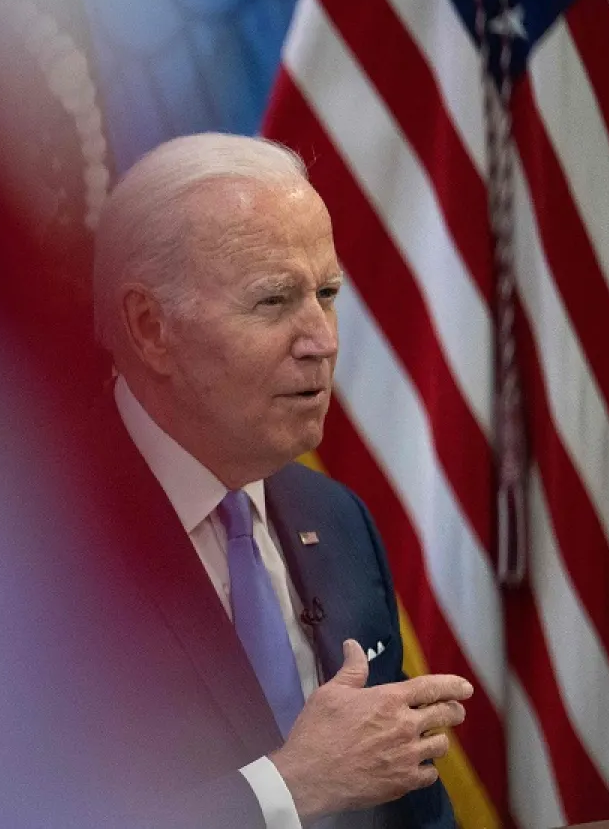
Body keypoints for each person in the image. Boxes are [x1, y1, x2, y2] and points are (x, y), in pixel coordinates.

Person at [90, 132, 469, 829]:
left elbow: (409, 808)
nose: (322, 339)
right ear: (150, 326)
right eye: (273, 301)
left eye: (326, 293)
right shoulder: (24, 546)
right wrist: (288, 788)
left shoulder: (337, 518)